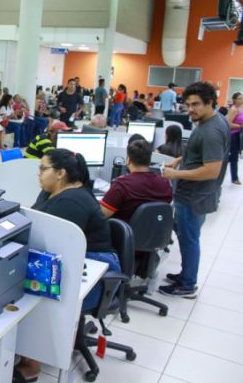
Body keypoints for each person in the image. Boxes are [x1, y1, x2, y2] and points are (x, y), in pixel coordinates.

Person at [19, 149, 120, 382]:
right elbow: (36, 218)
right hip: (82, 259)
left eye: (43, 169)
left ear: (61, 173)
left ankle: (32, 363)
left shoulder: (72, 201)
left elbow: (44, 236)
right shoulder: (56, 192)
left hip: (97, 270)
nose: (38, 173)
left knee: (38, 289)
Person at [159, 82, 229, 298]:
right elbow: (198, 152)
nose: (190, 109)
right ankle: (185, 275)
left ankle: (188, 285)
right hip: (194, 194)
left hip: (194, 196)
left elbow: (211, 170)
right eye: (188, 104)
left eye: (196, 104)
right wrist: (179, 160)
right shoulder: (211, 121)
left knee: (189, 240)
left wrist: (175, 174)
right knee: (185, 235)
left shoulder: (211, 131)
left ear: (210, 103)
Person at [100, 140, 173, 222]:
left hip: (125, 230)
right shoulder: (165, 184)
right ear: (149, 161)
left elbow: (101, 214)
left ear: (128, 160)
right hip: (157, 230)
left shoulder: (122, 185)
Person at [226, 92, 243, 185]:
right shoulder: (233, 109)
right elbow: (228, 124)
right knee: (234, 156)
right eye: (239, 98)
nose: (242, 100)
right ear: (234, 100)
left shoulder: (241, 108)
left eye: (242, 98)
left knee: (234, 156)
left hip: (239, 135)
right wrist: (240, 126)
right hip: (233, 135)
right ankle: (234, 178)